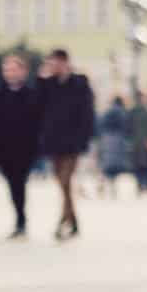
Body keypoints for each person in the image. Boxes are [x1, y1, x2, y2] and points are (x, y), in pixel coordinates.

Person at [37, 49, 95, 240]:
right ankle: (73, 221)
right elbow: (38, 106)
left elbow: (87, 113)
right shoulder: (48, 85)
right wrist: (41, 80)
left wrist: (84, 139)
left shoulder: (80, 82)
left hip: (73, 142)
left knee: (66, 180)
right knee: (62, 183)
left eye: (55, 63)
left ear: (65, 63)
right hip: (54, 142)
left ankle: (63, 222)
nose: (53, 67)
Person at [0, 54, 43, 239]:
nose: (9, 73)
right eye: (6, 70)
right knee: (12, 184)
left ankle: (21, 221)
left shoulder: (32, 94)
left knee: (19, 182)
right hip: (4, 148)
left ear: (23, 72)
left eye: (13, 69)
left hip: (25, 147)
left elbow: (39, 120)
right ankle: (19, 218)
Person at [97, 94, 131, 198]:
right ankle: (112, 185)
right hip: (118, 139)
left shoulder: (107, 112)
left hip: (106, 139)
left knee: (106, 164)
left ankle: (103, 183)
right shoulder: (122, 112)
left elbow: (100, 124)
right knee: (114, 165)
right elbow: (126, 126)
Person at [127, 97, 147, 194]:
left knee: (138, 165)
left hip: (136, 142)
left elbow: (127, 128)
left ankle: (140, 185)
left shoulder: (131, 112)